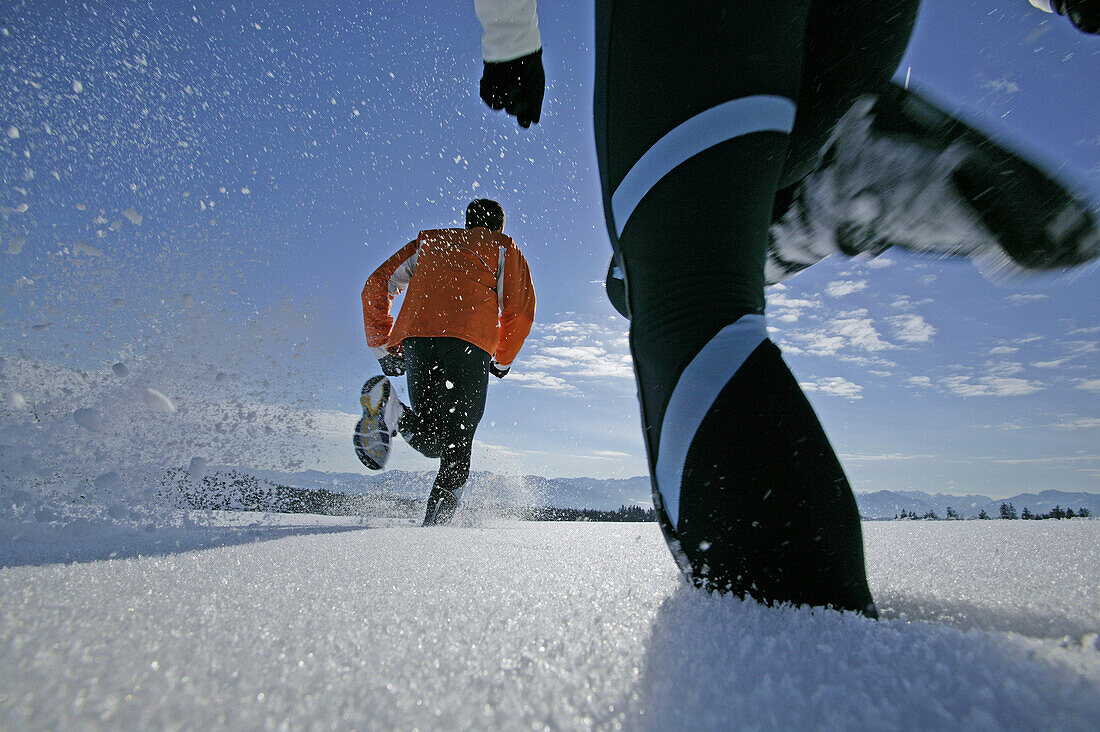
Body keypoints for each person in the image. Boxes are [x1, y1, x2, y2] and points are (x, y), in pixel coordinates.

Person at [473, 0, 1099, 615]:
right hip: (863, 25)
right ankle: (824, 173)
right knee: (638, 276)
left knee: (692, 300)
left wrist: (509, 40)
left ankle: (825, 681)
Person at [355, 199, 536, 526]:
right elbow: (519, 312)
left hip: (418, 342)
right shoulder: (502, 247)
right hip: (468, 342)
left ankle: (389, 407)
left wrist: (382, 347)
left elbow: (375, 285)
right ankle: (436, 535)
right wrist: (503, 362)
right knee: (457, 443)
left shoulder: (429, 243)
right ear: (499, 226)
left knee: (433, 438)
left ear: (468, 222)